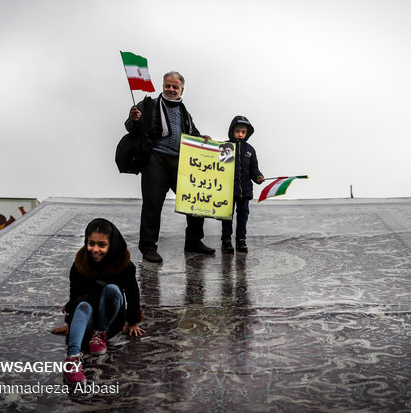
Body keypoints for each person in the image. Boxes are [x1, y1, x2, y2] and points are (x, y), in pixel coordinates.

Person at [126, 71, 216, 263]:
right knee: (152, 206)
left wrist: (203, 138)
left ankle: (194, 241)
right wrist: (135, 119)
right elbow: (130, 126)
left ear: (182, 89)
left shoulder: (184, 111)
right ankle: (148, 247)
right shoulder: (148, 105)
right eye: (168, 85)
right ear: (163, 86)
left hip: (181, 163)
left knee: (196, 200)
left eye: (175, 87)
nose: (171, 89)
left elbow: (193, 133)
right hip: (155, 162)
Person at [62, 218, 145, 384]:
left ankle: (100, 334)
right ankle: (72, 360)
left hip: (111, 319)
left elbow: (132, 293)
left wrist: (134, 321)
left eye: (102, 245)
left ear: (112, 244)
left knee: (112, 289)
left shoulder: (125, 265)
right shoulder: (80, 263)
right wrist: (72, 323)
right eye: (91, 243)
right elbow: (74, 296)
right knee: (83, 304)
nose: (95, 249)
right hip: (87, 315)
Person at [221, 116, 264, 254]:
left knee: (243, 216)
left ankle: (241, 240)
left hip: (244, 191)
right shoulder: (226, 147)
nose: (240, 134)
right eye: (238, 131)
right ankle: (226, 240)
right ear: (232, 131)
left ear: (247, 133)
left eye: (243, 132)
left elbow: (254, 169)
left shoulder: (250, 150)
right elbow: (218, 167)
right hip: (227, 190)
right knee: (227, 216)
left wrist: (258, 177)